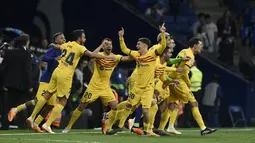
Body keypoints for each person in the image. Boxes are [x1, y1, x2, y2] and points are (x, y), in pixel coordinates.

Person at [26, 29, 114, 133]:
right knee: (62, 101)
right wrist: (105, 54)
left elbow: (59, 46)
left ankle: (31, 117)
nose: (85, 39)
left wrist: (54, 45)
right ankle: (47, 124)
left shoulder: (67, 44)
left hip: (57, 71)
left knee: (47, 95)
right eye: (84, 37)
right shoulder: (80, 47)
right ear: (79, 38)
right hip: (66, 74)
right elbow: (92, 55)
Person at [62, 38, 133, 134]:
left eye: (110, 44)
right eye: (106, 44)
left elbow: (127, 58)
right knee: (82, 106)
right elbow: (92, 55)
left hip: (105, 88)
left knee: (115, 107)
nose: (109, 46)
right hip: (93, 87)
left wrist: (136, 55)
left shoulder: (115, 57)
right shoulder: (99, 55)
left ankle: (108, 127)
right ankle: (68, 126)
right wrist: (100, 45)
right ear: (103, 46)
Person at [109, 23, 168, 136]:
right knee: (129, 106)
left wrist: (163, 33)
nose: (137, 46)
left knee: (146, 111)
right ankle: (119, 126)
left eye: (138, 44)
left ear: (145, 45)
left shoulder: (153, 54)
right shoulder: (136, 55)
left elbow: (162, 46)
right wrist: (121, 37)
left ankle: (146, 129)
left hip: (148, 88)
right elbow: (125, 49)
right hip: (137, 87)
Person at [8, 32, 66, 132]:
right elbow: (44, 58)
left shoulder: (64, 50)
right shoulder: (53, 50)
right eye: (61, 38)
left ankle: (36, 124)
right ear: (56, 41)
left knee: (50, 105)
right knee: (38, 101)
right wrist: (54, 59)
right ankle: (16, 110)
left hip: (55, 82)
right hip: (47, 80)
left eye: (64, 38)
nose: (63, 40)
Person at [164, 37, 217, 135]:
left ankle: (168, 127)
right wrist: (188, 83)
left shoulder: (184, 51)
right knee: (194, 103)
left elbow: (177, 64)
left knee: (173, 104)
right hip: (178, 81)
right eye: (200, 45)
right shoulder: (190, 56)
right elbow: (184, 72)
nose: (201, 47)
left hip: (171, 78)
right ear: (195, 45)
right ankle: (203, 128)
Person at [0, 34, 33, 130]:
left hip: (10, 85)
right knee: (22, 106)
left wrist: (4, 82)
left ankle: (4, 126)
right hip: (22, 85)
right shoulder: (27, 53)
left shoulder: (9, 52)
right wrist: (29, 85)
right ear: (27, 42)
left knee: (8, 106)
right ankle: (22, 126)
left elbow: (3, 68)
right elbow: (27, 71)